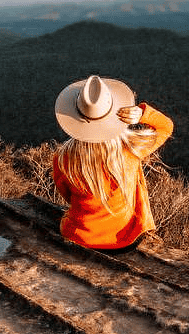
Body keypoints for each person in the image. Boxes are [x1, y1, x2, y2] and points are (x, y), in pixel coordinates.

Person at [52, 75, 173, 252]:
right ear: (113, 114)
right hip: (124, 240)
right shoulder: (131, 150)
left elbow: (67, 195)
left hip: (78, 237)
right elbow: (166, 126)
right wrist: (142, 113)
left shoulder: (62, 157)